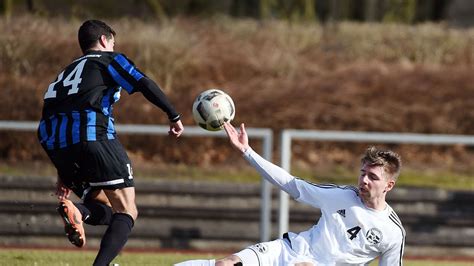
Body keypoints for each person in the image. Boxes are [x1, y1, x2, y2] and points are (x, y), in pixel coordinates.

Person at [37, 19, 184, 266]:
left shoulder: (64, 74)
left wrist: (63, 171)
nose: (114, 47)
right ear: (105, 40)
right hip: (94, 135)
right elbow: (143, 82)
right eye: (112, 42)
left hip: (54, 143)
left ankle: (79, 212)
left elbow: (53, 117)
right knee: (127, 210)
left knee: (103, 207)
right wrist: (173, 115)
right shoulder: (107, 59)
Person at [176, 122, 405, 266]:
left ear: (389, 185)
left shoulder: (393, 232)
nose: (364, 180)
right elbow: (290, 183)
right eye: (363, 173)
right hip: (289, 250)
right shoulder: (340, 196)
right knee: (227, 264)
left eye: (373, 177)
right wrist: (247, 151)